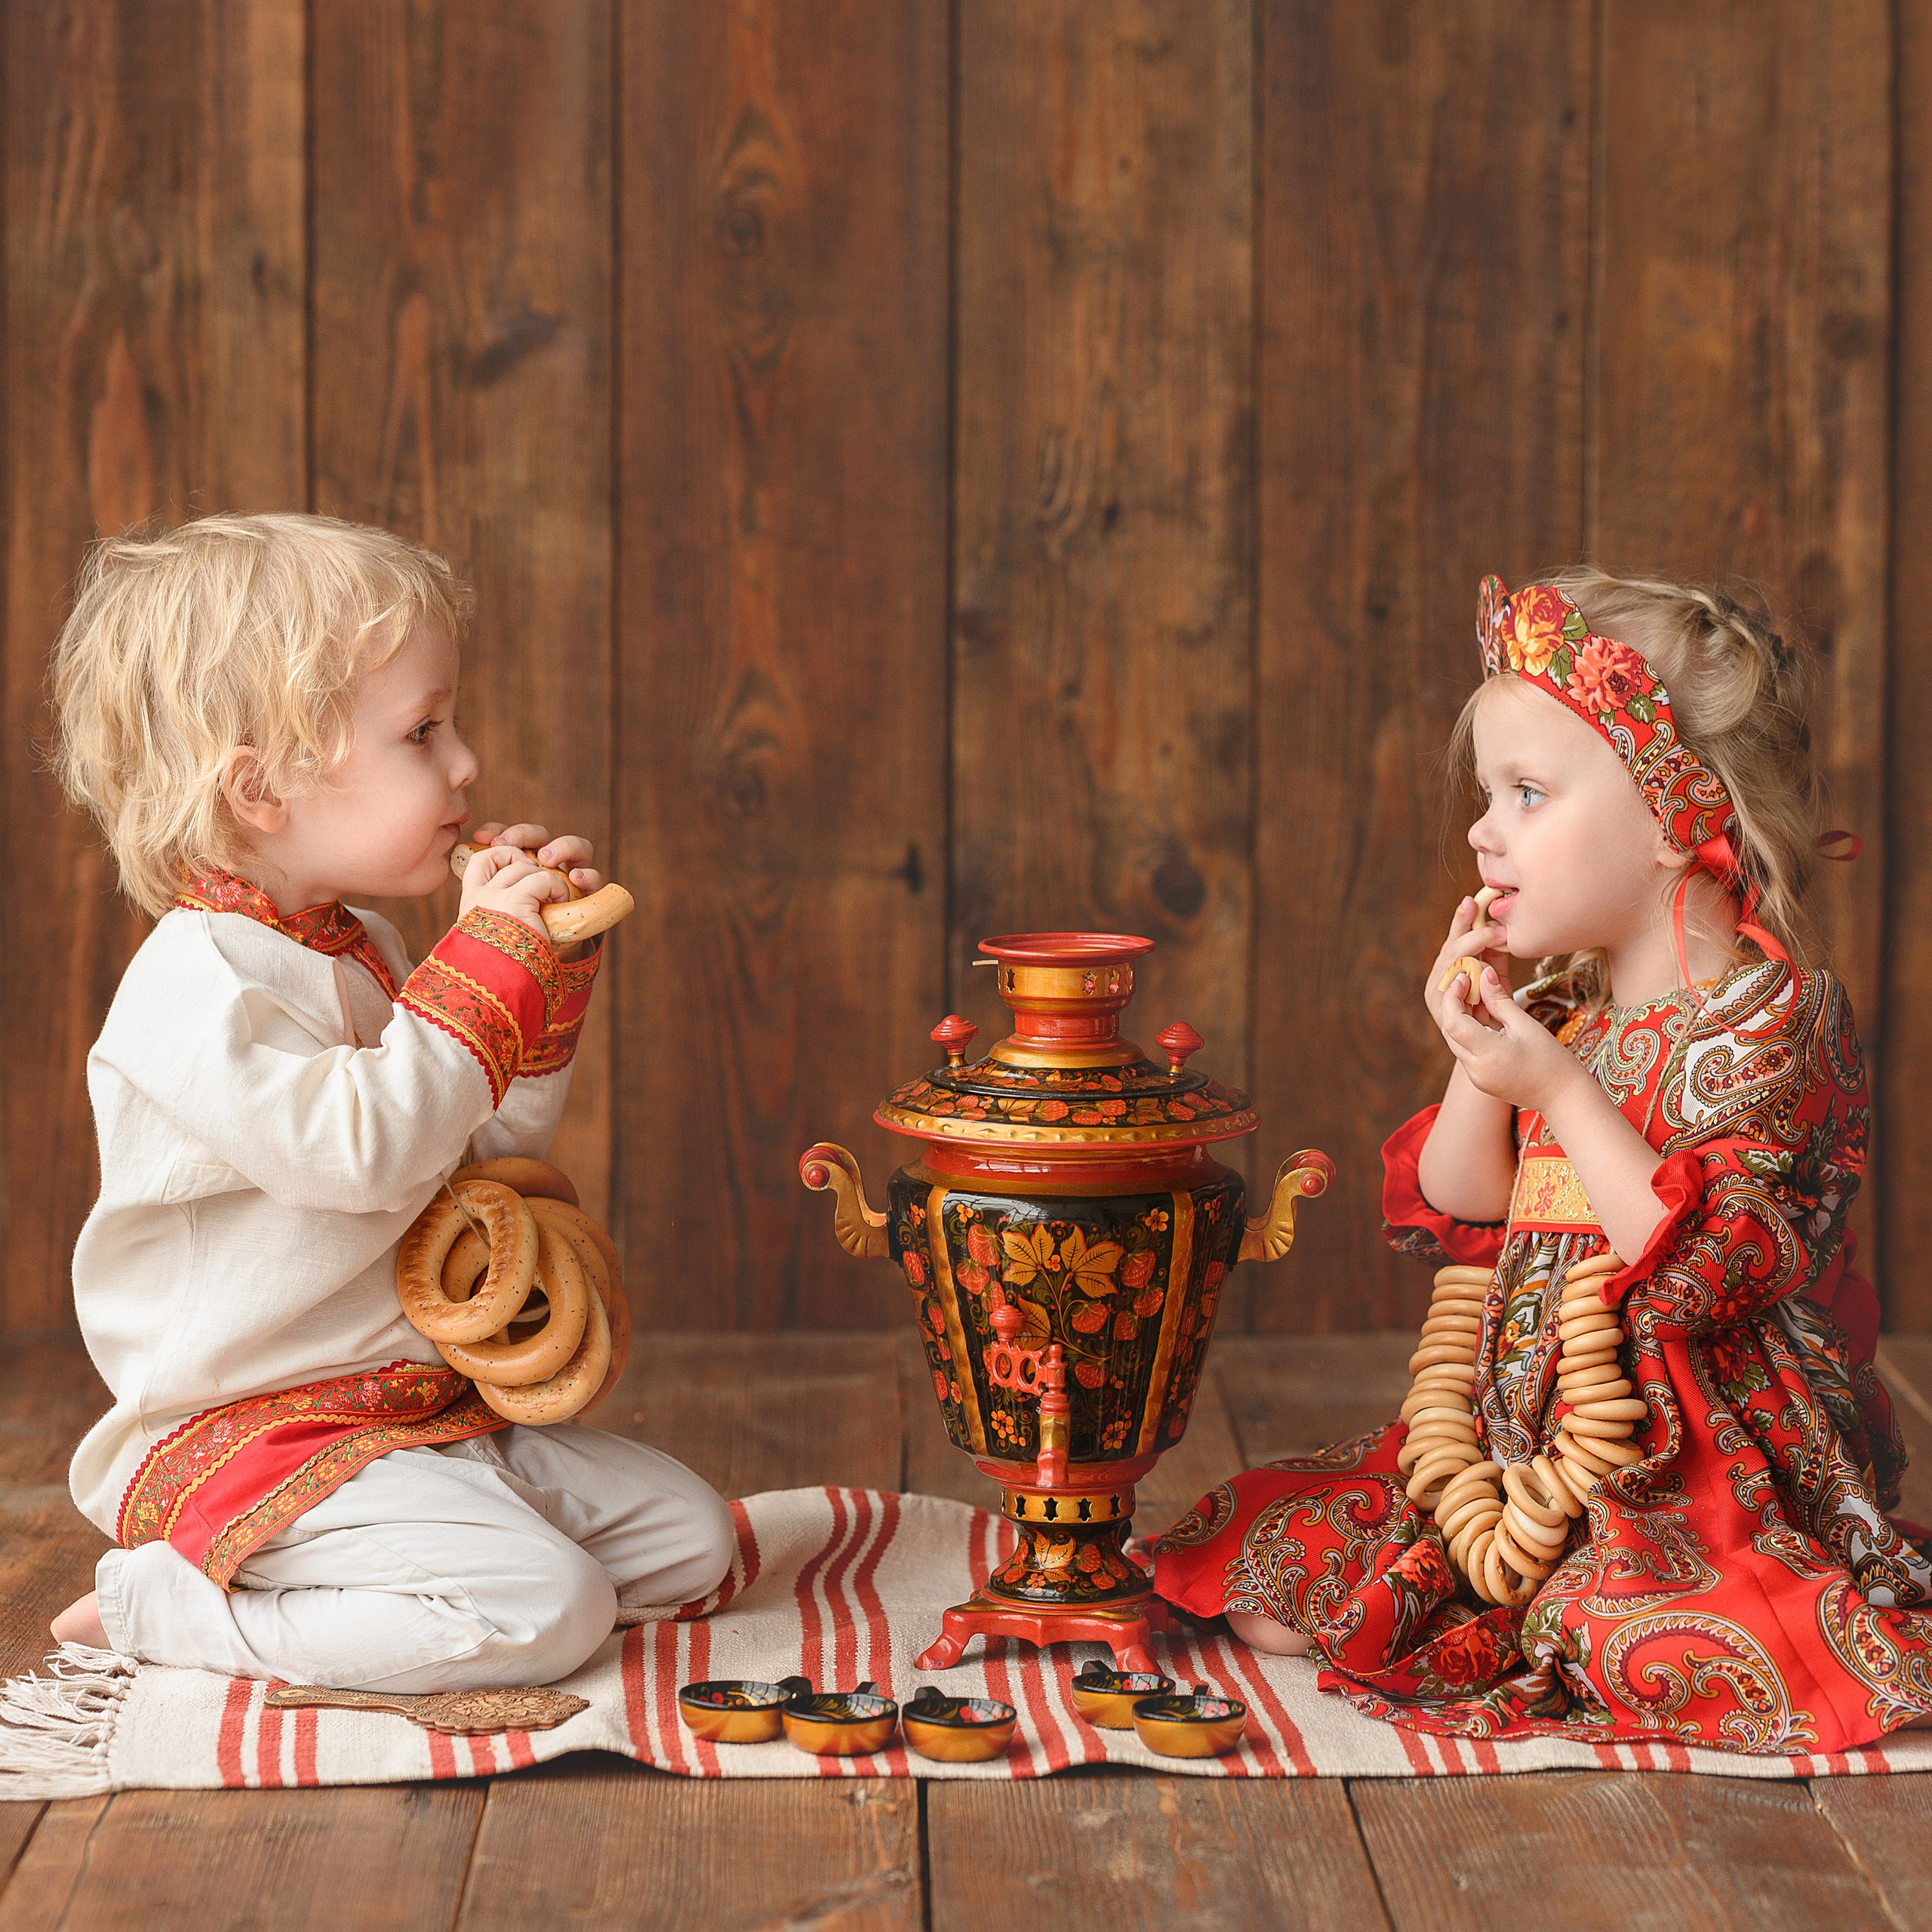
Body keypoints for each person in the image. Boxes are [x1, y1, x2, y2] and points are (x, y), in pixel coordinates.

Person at [1154, 570, 1932, 1750]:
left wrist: (1560, 1092)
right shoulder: (1568, 1011)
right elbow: (1468, 1202)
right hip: (1519, 1435)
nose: (1481, 832)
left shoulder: (1777, 1025)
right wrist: (1481, 1056)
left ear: (1684, 814)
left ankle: (1587, 1591)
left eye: (1527, 794)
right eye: (1487, 796)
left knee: (1646, 1634)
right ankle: (1502, 1569)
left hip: (1692, 1452)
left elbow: (1707, 1266)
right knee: (1280, 1577)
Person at [43, 512, 734, 1693]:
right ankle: (169, 1605)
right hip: (257, 1430)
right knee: (550, 1611)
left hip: (414, 1408)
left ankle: (400, 1570)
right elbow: (359, 1156)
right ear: (261, 788)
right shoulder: (193, 983)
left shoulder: (360, 943)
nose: (464, 763)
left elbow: (475, 1157)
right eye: (423, 731)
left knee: (695, 1540)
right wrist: (481, 978)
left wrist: (540, 990)